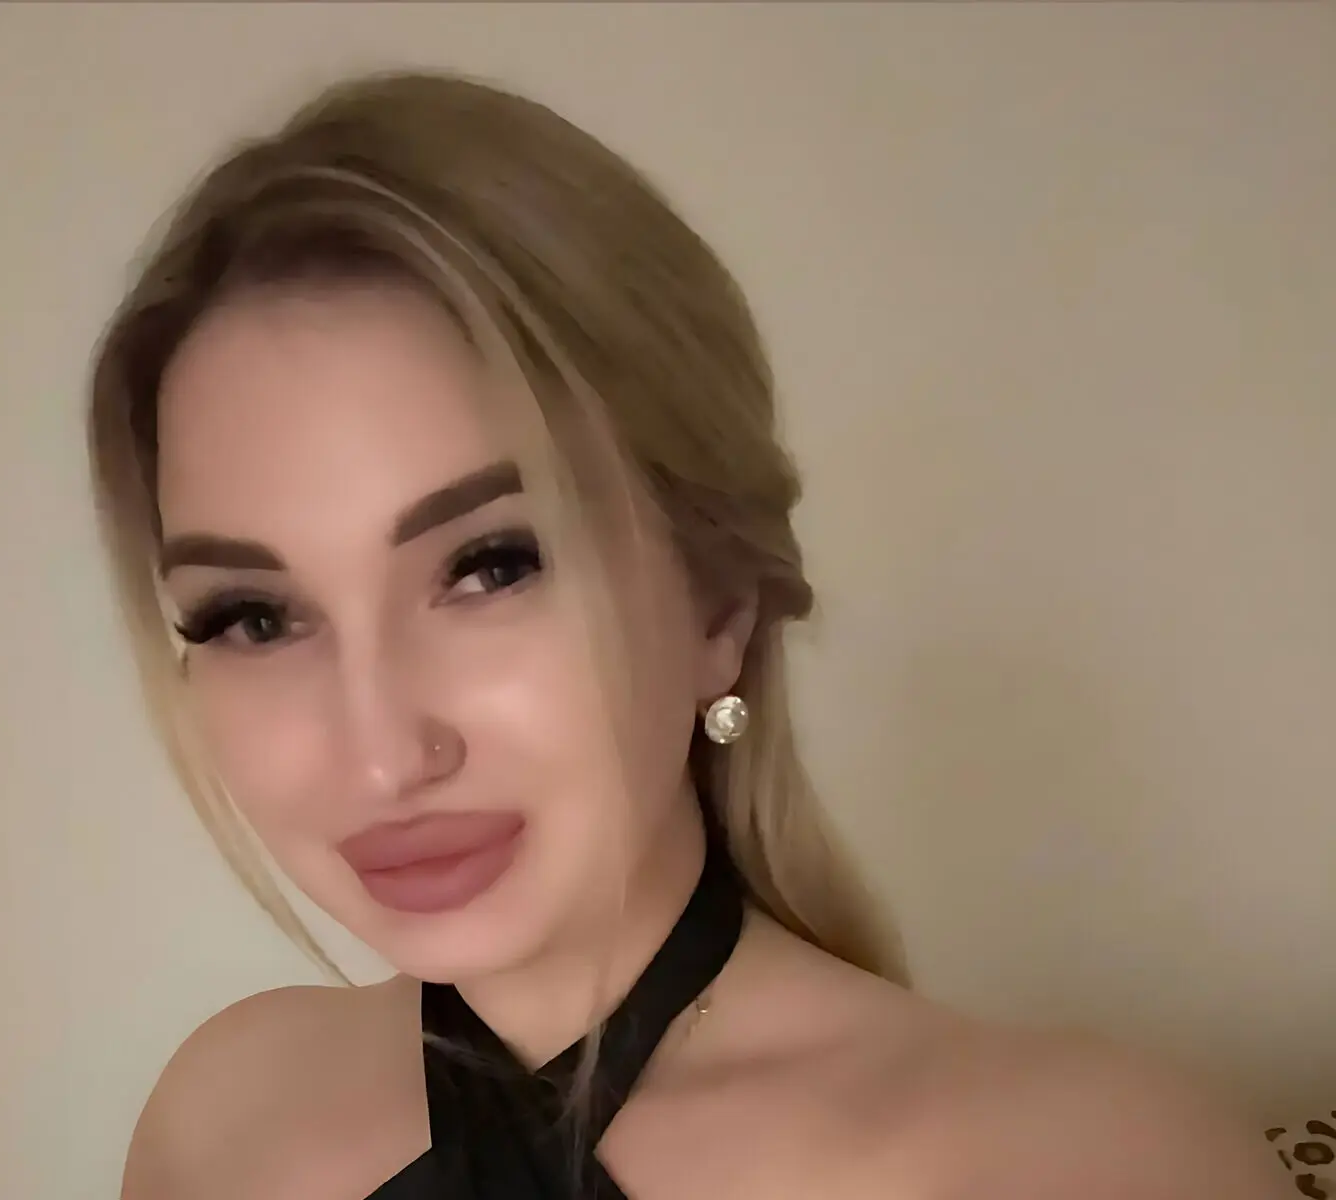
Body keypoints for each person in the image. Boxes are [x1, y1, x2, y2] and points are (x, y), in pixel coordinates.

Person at [89, 70, 1280, 1200]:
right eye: (255, 618)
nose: (380, 757)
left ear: (719, 602)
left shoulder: (1082, 1162)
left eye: (491, 565)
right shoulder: (220, 1124)